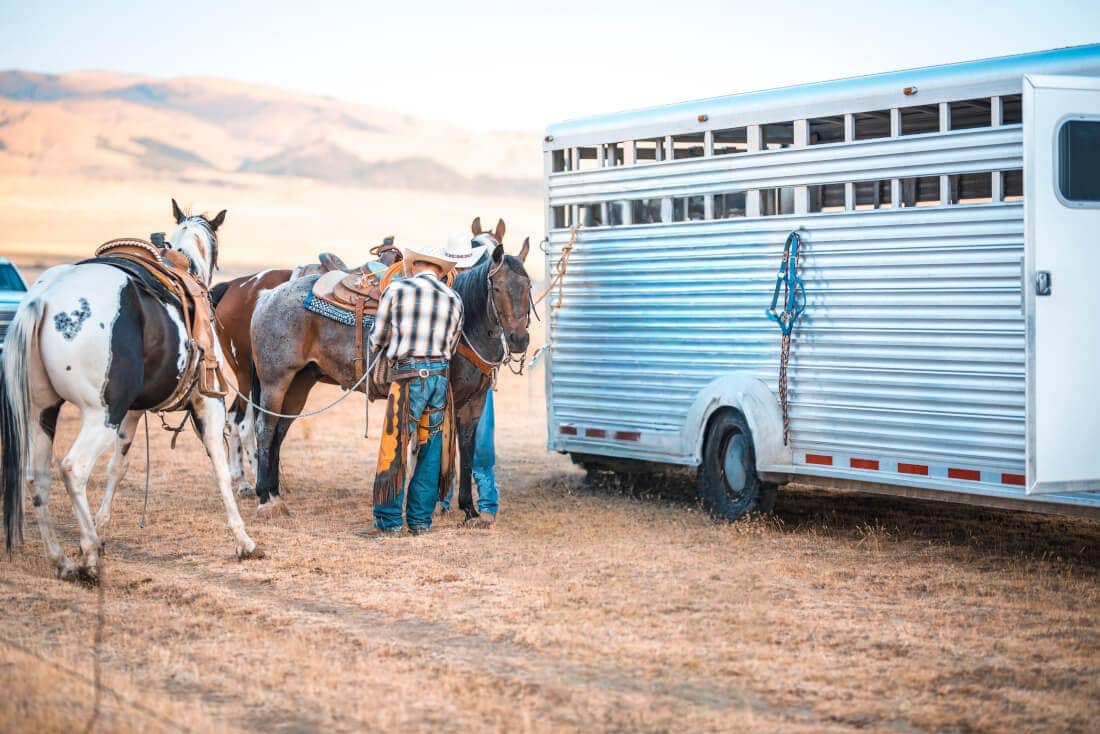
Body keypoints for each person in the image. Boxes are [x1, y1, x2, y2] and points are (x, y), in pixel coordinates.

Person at [354, 243, 463, 538]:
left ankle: (388, 522)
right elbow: (451, 344)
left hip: (407, 377)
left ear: (414, 267)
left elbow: (378, 336)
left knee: (395, 446)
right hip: (439, 379)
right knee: (429, 450)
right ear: (441, 272)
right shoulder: (454, 298)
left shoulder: (397, 291)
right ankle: (419, 522)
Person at [437, 234, 499, 524]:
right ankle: (444, 497)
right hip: (452, 378)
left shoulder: (481, 293)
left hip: (477, 380)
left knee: (480, 444)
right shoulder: (446, 291)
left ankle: (485, 503)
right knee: (442, 439)